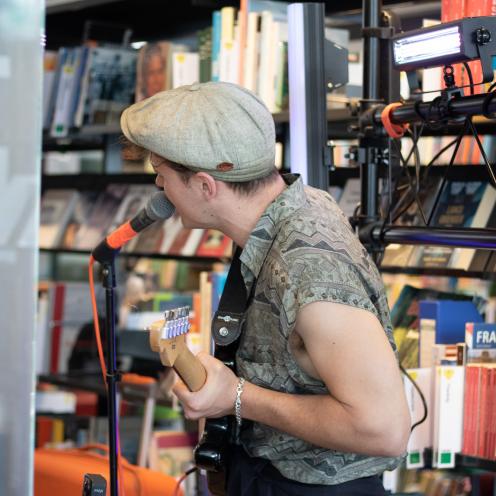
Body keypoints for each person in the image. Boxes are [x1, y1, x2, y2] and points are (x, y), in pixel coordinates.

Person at [120, 81, 411, 495]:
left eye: (161, 176)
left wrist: (236, 396)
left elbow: (384, 429)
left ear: (206, 185)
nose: (159, 190)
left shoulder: (308, 270)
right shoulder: (281, 212)